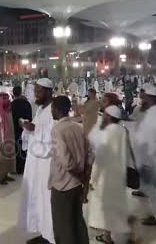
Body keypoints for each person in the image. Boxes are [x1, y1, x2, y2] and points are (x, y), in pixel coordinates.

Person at [87, 105, 133, 244]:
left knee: (104, 207)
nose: (103, 117)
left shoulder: (107, 132)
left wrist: (93, 178)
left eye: (105, 115)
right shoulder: (123, 130)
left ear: (110, 117)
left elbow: (100, 157)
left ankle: (107, 237)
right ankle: (114, 234)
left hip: (105, 176)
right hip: (119, 174)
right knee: (115, 205)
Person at [49, 95, 92, 244]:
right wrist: (84, 179)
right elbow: (90, 155)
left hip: (63, 185)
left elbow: (67, 162)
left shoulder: (58, 130)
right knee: (77, 222)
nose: (51, 111)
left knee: (63, 226)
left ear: (57, 109)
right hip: (76, 185)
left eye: (52, 108)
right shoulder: (78, 127)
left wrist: (77, 173)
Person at [17, 78, 55, 244]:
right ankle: (42, 231)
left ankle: (50, 236)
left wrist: (35, 128)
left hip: (46, 163)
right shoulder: (40, 108)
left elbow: (55, 134)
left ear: (48, 92)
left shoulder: (55, 109)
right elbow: (37, 128)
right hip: (35, 162)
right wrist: (28, 126)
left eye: (38, 91)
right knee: (36, 197)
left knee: (46, 198)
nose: (36, 94)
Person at [135, 85, 156, 226]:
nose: (142, 99)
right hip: (151, 159)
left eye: (144, 97)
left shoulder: (155, 115)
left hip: (153, 160)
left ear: (150, 98)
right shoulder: (154, 112)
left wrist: (147, 159)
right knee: (154, 190)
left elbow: (154, 139)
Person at [11, 86, 32, 174]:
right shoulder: (27, 103)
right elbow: (30, 117)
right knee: (24, 149)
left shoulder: (11, 104)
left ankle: (16, 168)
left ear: (13, 93)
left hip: (15, 130)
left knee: (16, 148)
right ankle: (24, 168)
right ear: (20, 92)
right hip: (25, 130)